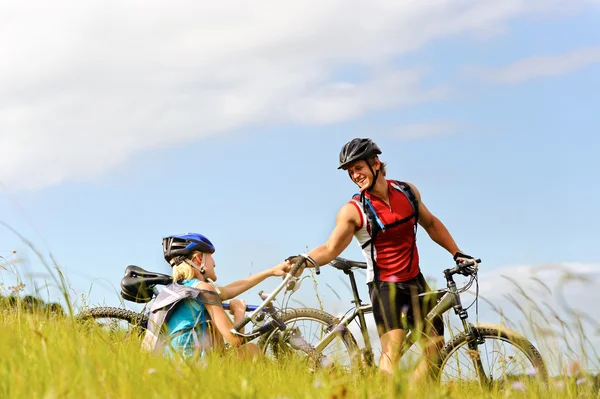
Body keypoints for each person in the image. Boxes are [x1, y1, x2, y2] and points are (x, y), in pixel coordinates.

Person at [293, 138, 478, 381]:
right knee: (392, 348)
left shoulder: (407, 192)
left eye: (358, 168)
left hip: (415, 280)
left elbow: (431, 224)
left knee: (434, 345)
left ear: (376, 163)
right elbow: (330, 248)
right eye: (350, 172)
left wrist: (457, 253)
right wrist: (303, 260)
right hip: (384, 285)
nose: (355, 176)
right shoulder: (354, 210)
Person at [142, 232, 291, 359]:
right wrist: (239, 312)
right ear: (198, 259)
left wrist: (271, 272)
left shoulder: (180, 291)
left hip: (168, 366)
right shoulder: (203, 289)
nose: (214, 263)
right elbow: (236, 340)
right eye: (211, 257)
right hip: (191, 368)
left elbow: (230, 289)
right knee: (251, 351)